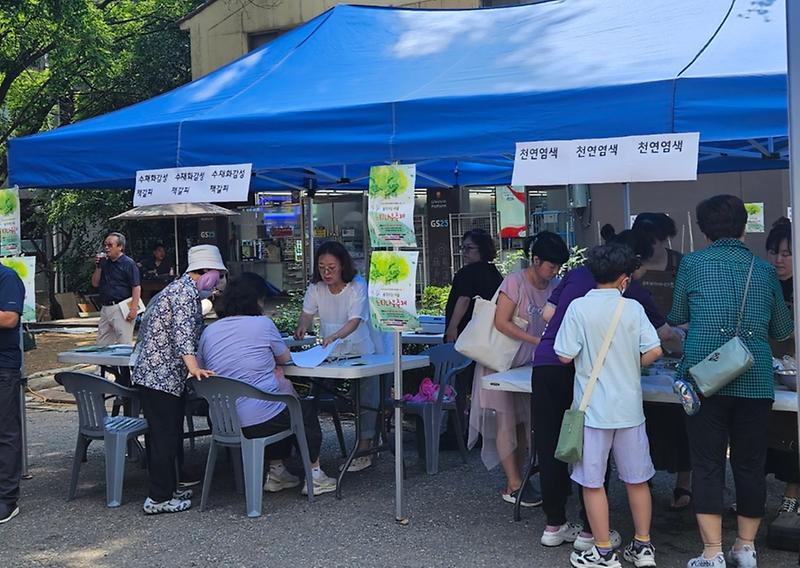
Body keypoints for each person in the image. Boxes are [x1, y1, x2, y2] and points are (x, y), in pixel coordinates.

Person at [533, 226, 679, 553]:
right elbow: (661, 338)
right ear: (628, 269)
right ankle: (595, 534)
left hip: (547, 367)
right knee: (614, 470)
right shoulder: (632, 296)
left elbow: (547, 315)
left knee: (554, 444)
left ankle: (554, 524)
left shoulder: (577, 281)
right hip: (609, 397)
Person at [669, 195, 793, 568]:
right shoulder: (764, 270)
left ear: (704, 229)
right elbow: (783, 329)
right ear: (743, 226)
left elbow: (677, 314)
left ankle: (711, 553)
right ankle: (745, 547)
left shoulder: (691, 264)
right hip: (754, 380)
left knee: (706, 463)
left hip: (704, 379)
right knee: (749, 463)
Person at [555, 242, 662, 568]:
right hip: (629, 409)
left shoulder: (577, 308)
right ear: (624, 279)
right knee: (637, 479)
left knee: (592, 482)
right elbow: (655, 350)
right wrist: (631, 364)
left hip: (592, 411)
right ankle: (643, 547)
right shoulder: (632, 309)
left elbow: (563, 354)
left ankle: (602, 552)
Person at [199, 273, 337, 496]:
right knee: (301, 409)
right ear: (255, 300)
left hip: (222, 421)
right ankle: (315, 475)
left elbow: (203, 368)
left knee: (274, 402)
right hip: (260, 421)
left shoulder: (209, 331)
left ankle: (277, 471)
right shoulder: (262, 324)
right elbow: (284, 359)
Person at [468, 231, 568, 507]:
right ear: (535, 260)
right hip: (502, 363)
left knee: (526, 424)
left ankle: (522, 478)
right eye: (551, 265)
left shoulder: (555, 285)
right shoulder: (515, 282)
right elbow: (501, 322)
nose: (555, 271)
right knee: (506, 422)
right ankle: (513, 483)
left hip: (529, 364)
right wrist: (538, 341)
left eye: (558, 266)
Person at [131, 244, 226, 514]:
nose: (218, 281)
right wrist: (194, 368)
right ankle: (158, 498)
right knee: (164, 436)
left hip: (159, 375)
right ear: (205, 271)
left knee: (167, 435)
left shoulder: (178, 290)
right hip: (160, 376)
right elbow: (183, 335)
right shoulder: (183, 293)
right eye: (217, 274)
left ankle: (168, 488)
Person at [294, 241, 378, 472]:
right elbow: (307, 313)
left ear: (343, 265)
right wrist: (302, 326)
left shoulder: (357, 285)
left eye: (331, 267)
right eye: (322, 267)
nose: (327, 272)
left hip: (358, 348)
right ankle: (310, 453)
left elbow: (354, 321)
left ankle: (365, 446)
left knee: (367, 395)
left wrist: (334, 337)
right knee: (314, 394)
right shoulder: (317, 287)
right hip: (329, 351)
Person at [633, 212, 692, 511]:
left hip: (678, 350)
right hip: (643, 355)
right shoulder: (632, 263)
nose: (651, 246)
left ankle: (685, 484)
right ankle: (646, 478)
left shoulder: (681, 264)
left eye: (655, 240)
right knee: (648, 422)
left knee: (684, 419)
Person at [764, 218, 799, 515]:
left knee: (793, 435)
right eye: (774, 252)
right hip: (768, 369)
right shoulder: (766, 283)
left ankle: (791, 495)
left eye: (787, 254)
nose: (779, 259)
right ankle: (755, 495)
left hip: (794, 374)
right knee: (763, 434)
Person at [444, 228, 504, 343]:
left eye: (470, 248)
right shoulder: (494, 272)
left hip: (466, 332)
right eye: (463, 247)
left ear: (483, 249)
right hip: (488, 333)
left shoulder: (466, 273)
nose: (464, 252)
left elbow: (464, 299)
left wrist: (452, 328)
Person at [0, 264, 25, 524]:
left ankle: (7, 498)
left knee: (5, 431)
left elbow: (9, 318)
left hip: (3, 367)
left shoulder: (6, 277)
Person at [91, 232, 141, 346]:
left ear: (120, 247)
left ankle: (123, 364)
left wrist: (134, 308)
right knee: (102, 342)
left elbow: (136, 286)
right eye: (105, 245)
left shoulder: (128, 263)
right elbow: (95, 283)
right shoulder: (105, 263)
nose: (106, 248)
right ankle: (104, 364)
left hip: (121, 306)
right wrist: (99, 267)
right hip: (105, 306)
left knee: (123, 341)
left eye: (110, 245)